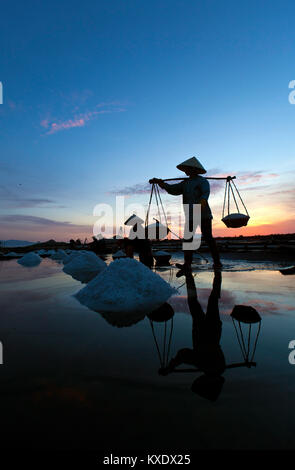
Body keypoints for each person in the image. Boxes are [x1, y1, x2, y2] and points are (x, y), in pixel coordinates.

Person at [159, 268, 225, 401]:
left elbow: (188, 357)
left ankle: (217, 273)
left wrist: (172, 367)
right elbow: (183, 354)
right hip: (204, 331)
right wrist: (171, 367)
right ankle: (193, 274)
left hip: (213, 329)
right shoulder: (206, 366)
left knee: (212, 300)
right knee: (195, 301)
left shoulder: (220, 368)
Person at [150, 156, 222, 273]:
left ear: (194, 169)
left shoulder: (202, 181)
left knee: (208, 238)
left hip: (203, 214)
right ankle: (187, 264)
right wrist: (161, 183)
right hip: (190, 215)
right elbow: (173, 189)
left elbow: (205, 192)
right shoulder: (186, 183)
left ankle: (217, 262)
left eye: (187, 169)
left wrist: (203, 200)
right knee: (188, 239)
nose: (185, 171)